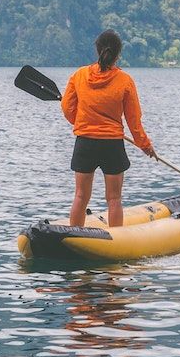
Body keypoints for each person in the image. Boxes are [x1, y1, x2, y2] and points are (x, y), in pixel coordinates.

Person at [61, 29, 156, 228]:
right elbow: (134, 121)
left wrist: (83, 122)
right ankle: (116, 238)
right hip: (112, 144)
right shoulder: (125, 81)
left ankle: (74, 233)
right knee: (114, 199)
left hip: (85, 142)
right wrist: (145, 145)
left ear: (97, 50)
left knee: (80, 196)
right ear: (118, 54)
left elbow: (68, 108)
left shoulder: (79, 75)